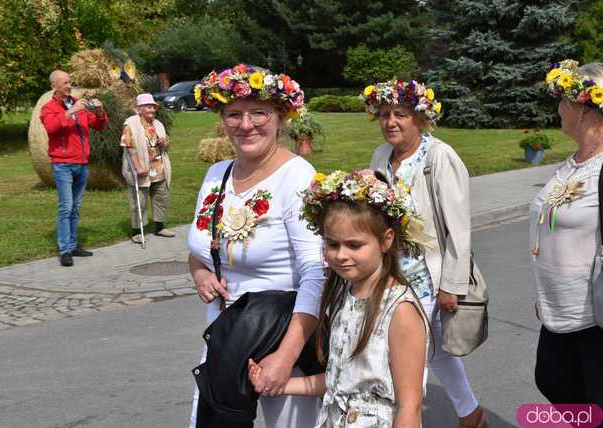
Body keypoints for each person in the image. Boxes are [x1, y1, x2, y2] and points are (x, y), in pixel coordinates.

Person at [187, 64, 324, 427]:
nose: (246, 125)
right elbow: (201, 247)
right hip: (226, 335)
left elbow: (317, 272)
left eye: (259, 112)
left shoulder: (297, 177)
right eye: (234, 114)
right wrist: (200, 271)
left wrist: (285, 355)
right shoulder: (217, 174)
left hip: (281, 337)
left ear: (281, 117)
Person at [249, 169, 430, 427]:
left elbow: (409, 407)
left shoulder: (400, 310)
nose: (341, 255)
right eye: (333, 244)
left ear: (386, 240)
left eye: (354, 245)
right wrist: (281, 384)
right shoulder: (345, 295)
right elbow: (340, 381)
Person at [364, 79, 487, 428]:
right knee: (433, 352)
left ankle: (405, 417)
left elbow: (458, 227)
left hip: (427, 276)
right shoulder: (380, 156)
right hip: (390, 272)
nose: (391, 122)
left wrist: (452, 284)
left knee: (410, 353)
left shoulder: (439, 157)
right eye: (384, 114)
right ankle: (471, 414)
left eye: (400, 114)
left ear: (420, 118)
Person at [531, 59, 603, 407]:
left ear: (584, 110)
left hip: (596, 315)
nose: (558, 109)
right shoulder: (572, 163)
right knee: (553, 381)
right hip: (557, 307)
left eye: (563, 101)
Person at [40, 69, 108, 267]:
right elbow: (52, 127)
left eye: (70, 82)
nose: (70, 86)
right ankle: (64, 251)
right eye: (65, 83)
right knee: (66, 207)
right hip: (63, 164)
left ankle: (73, 244)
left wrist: (100, 111)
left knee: (76, 208)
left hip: (81, 163)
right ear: (54, 86)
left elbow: (99, 125)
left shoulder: (77, 103)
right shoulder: (49, 108)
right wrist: (70, 112)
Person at [120, 93, 174, 243]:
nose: (152, 109)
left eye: (153, 106)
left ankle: (160, 227)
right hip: (141, 169)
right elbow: (129, 147)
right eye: (148, 106)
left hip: (158, 168)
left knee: (161, 197)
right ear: (140, 109)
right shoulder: (130, 124)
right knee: (139, 201)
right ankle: (137, 231)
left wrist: (164, 143)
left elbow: (166, 145)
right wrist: (138, 167)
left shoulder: (158, 124)